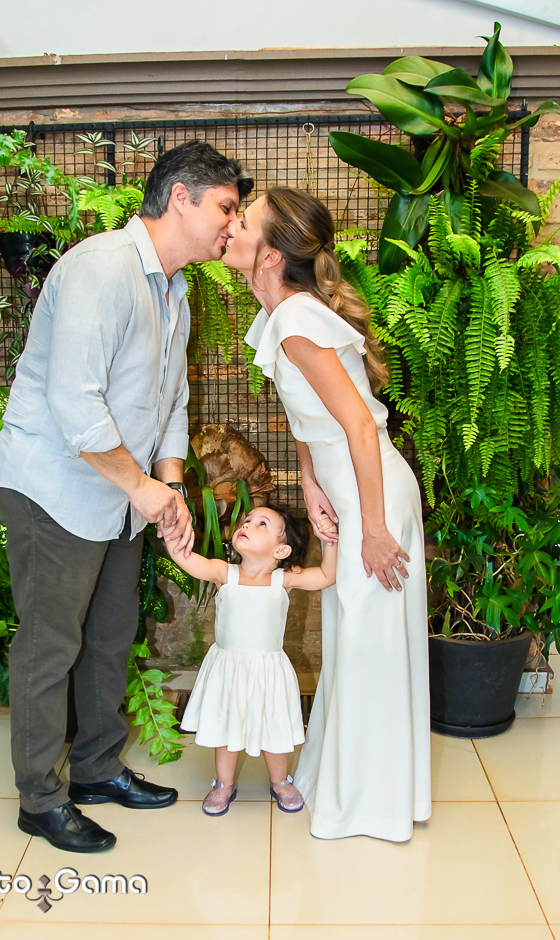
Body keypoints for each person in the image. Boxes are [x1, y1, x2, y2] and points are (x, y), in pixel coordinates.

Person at [0, 140, 254, 853]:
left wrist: (169, 487)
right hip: (55, 488)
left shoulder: (174, 290)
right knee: (51, 644)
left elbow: (172, 401)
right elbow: (76, 404)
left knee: (109, 635)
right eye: (226, 207)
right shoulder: (101, 268)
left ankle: (97, 769)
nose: (233, 224)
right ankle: (39, 799)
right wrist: (145, 489)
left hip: (122, 492)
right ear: (180, 199)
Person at [222, 187, 431, 842]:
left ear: (270, 253)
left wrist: (374, 528)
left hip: (374, 499)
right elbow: (310, 418)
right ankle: (350, 786)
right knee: (354, 646)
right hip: (351, 495)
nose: (230, 226)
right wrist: (311, 482)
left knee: (370, 651)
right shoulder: (283, 315)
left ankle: (372, 804)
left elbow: (362, 428)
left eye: (243, 220)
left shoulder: (296, 319)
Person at [165, 504, 338, 816]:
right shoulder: (224, 573)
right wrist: (170, 530)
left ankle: (280, 780)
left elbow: (327, 575)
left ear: (281, 550)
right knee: (227, 728)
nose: (246, 524)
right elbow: (186, 559)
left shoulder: (284, 580)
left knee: (274, 727)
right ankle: (223, 784)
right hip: (228, 669)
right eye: (247, 520)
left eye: (262, 524)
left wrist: (330, 540)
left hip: (268, 670)